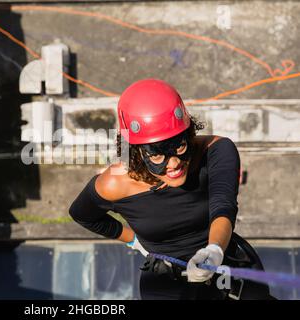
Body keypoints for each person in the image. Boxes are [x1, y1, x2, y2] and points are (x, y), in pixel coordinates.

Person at [69, 79, 275, 300]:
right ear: (136, 151)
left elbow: (223, 206)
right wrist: (132, 240)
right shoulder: (115, 184)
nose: (174, 163)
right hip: (165, 284)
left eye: (180, 146)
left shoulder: (215, 152)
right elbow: (83, 215)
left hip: (228, 267)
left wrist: (214, 250)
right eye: (157, 155)